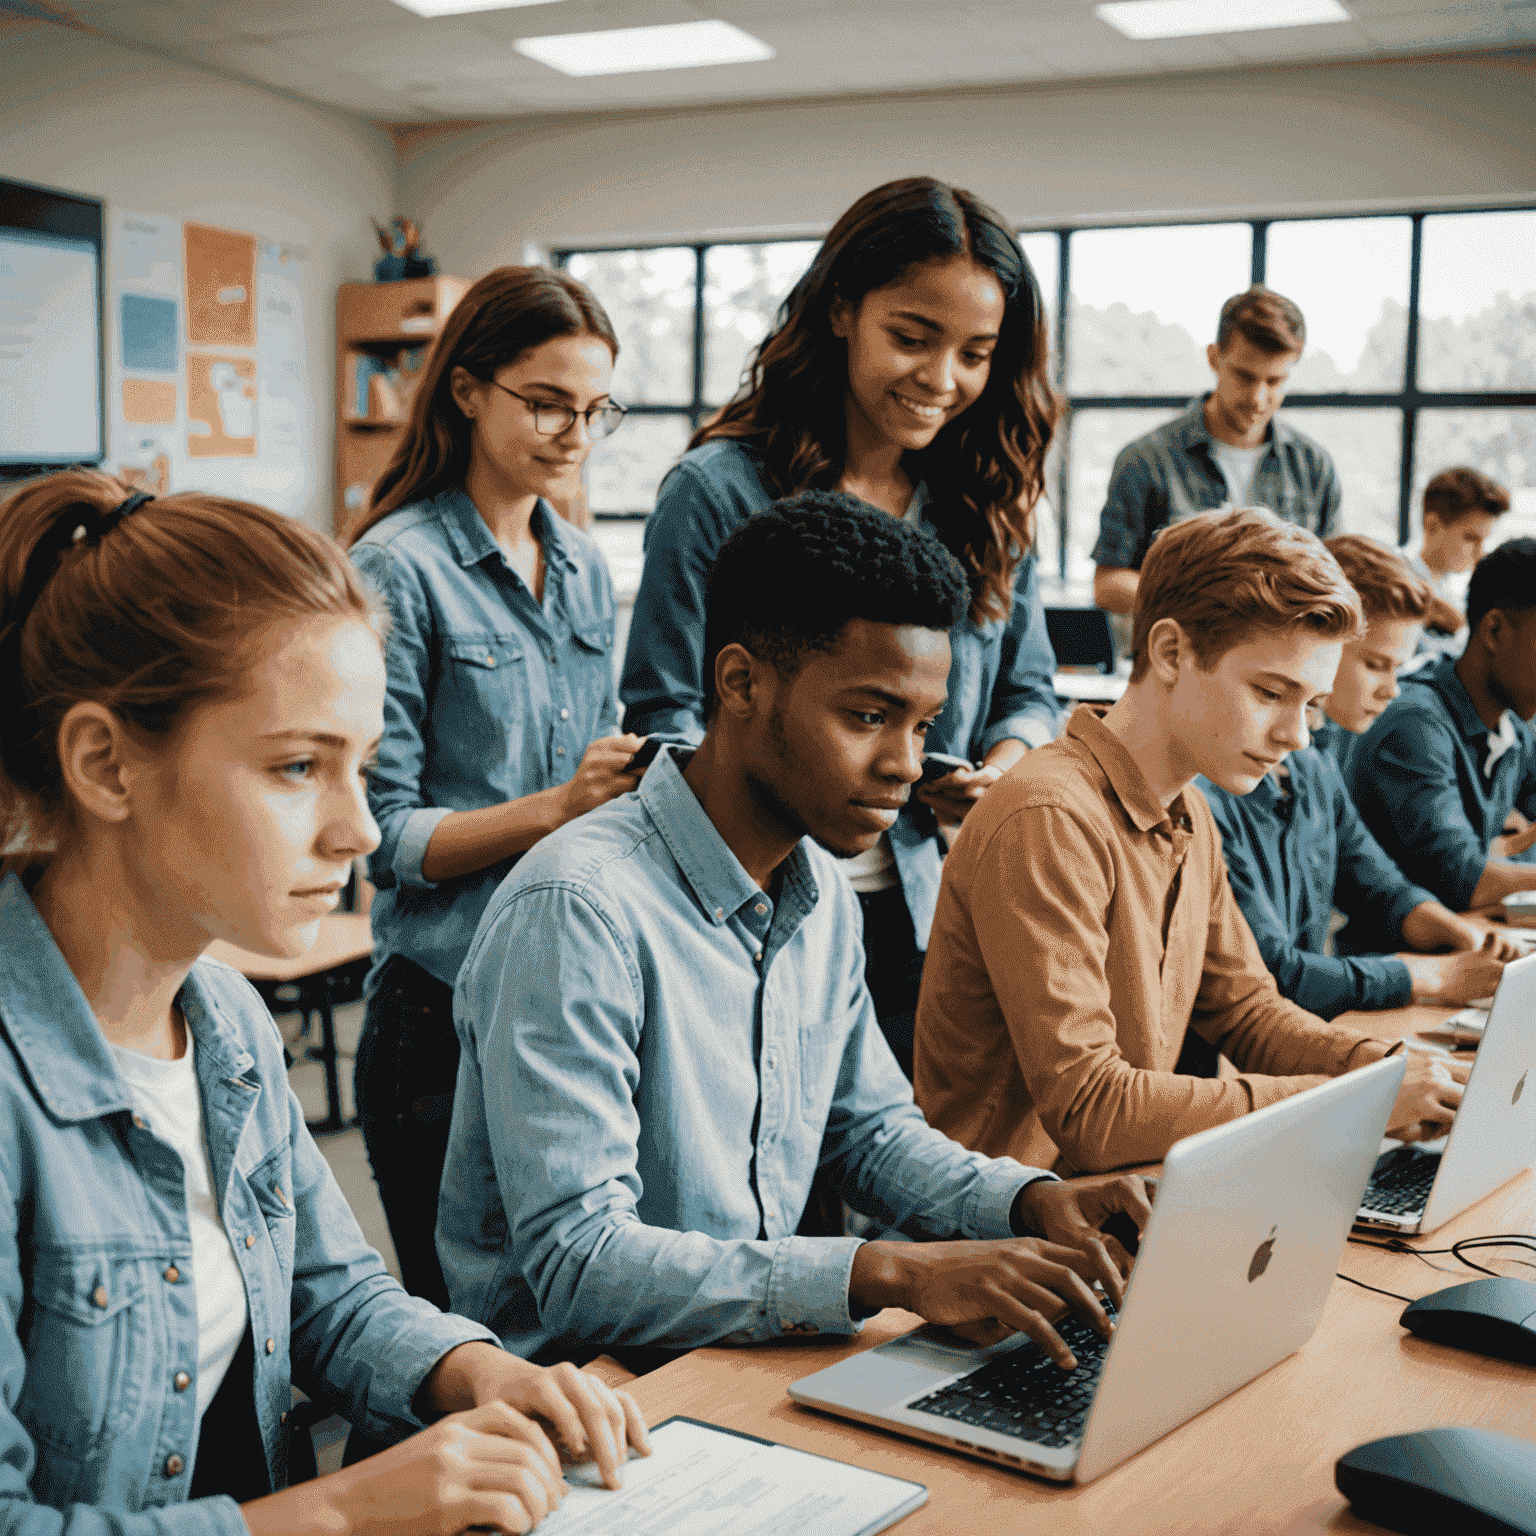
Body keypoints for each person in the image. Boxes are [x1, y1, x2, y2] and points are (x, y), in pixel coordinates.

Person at [0, 471, 647, 1536]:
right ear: (105, 764)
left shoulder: (223, 1019)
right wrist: (345, 1510)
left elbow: (330, 1297)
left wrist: (474, 1371)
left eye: (362, 770)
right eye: (299, 766)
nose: (357, 833)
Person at [440, 496, 1155, 1376]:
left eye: (923, 726)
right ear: (741, 684)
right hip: (583, 1411)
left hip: (739, 1365)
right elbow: (581, 1265)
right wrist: (889, 1270)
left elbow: (868, 1133)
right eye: (867, 716)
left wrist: (1035, 1202)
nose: (903, 764)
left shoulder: (821, 899)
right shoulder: (578, 909)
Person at [618, 176, 1061, 1077]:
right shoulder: (716, 493)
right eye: (911, 338)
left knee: (899, 1166)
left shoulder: (986, 502)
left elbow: (1029, 692)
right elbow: (664, 716)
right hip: (748, 910)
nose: (943, 380)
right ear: (839, 312)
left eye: (976, 353)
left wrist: (998, 775)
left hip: (921, 908)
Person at [914, 509, 1467, 1175]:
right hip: (1004, 1240)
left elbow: (1247, 1012)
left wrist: (1381, 1067)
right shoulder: (1049, 818)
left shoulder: (1190, 811)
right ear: (1172, 652)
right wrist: (1356, 1101)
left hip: (1116, 1203)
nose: (1298, 736)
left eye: (1313, 705)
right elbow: (1093, 1110)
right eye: (1272, 692)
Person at [345, 267, 645, 1310]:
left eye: (594, 409)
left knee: (556, 1318)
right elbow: (380, 836)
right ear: (468, 390)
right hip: (436, 1009)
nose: (573, 431)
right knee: (450, 1332)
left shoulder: (582, 564)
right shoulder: (397, 567)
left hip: (556, 994)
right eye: (547, 402)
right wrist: (560, 807)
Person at [1198, 534, 1514, 1020]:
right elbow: (1274, 975)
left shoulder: (1312, 763)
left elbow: (1375, 882)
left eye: (1398, 668)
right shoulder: (1219, 782)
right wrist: (1430, 976)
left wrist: (1460, 936)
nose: (1392, 690)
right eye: (1375, 664)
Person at [1092, 285, 1340, 618]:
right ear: (1214, 358)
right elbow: (1108, 585)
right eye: (1244, 376)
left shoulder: (1313, 467)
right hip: (1177, 663)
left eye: (1275, 381)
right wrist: (1210, 613)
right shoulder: (1146, 461)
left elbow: (1336, 582)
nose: (1257, 398)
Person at [1346, 538, 1536, 913]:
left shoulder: (1511, 727)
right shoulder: (1414, 726)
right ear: (1494, 631)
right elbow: (1464, 878)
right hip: (1396, 953)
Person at [1404, 466, 1512, 660]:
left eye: (1485, 540)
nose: (1481, 552)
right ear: (1433, 526)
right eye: (1471, 538)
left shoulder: (1453, 586)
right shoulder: (1397, 582)